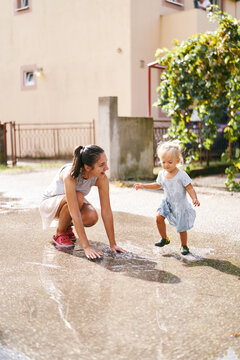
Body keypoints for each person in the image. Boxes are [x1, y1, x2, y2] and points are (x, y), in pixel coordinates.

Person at [39, 144, 126, 259]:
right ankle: (60, 233)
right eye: (101, 165)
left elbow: (106, 211)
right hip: (50, 205)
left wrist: (113, 244)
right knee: (79, 197)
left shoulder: (101, 178)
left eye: (106, 163)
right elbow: (75, 213)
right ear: (87, 167)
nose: (107, 168)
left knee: (92, 216)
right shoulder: (70, 175)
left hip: (71, 203)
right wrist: (86, 247)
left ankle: (66, 227)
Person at [134, 140, 200, 255]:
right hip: (167, 203)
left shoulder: (181, 175)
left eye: (170, 162)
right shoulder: (162, 174)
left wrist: (194, 198)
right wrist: (143, 185)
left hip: (179, 205)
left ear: (177, 161)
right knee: (158, 218)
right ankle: (164, 238)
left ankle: (184, 245)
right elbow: (158, 185)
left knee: (181, 227)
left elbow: (189, 188)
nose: (166, 165)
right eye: (163, 162)